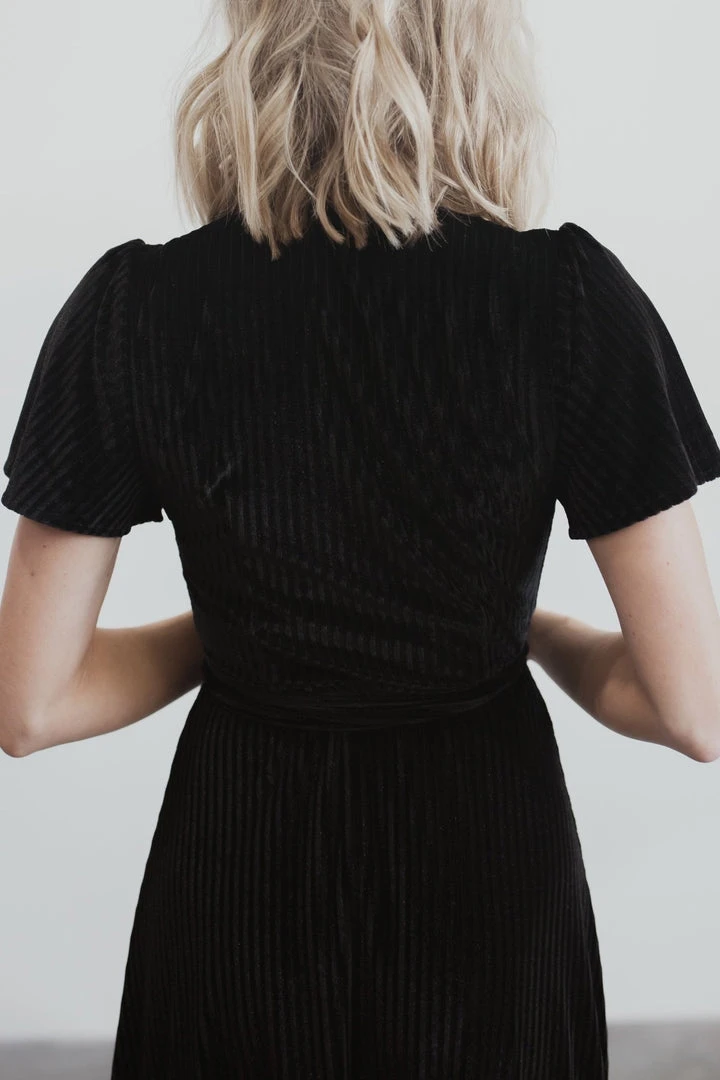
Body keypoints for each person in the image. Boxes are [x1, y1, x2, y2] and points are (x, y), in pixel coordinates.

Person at [1, 0, 719, 1076]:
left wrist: (254, 627)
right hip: (486, 875)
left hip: (240, 871)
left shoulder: (133, 308)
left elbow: (31, 705)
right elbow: (693, 707)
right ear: (473, 56)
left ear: (255, 53)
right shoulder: (570, 302)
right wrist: (523, 628)